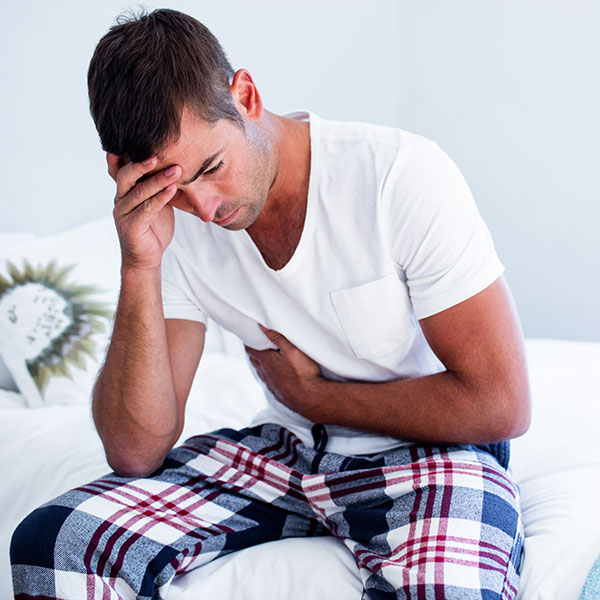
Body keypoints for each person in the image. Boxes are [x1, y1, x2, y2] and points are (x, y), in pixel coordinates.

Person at [10, 8, 531, 600]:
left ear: (247, 96)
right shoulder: (168, 228)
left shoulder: (397, 177)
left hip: (430, 453)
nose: (205, 208)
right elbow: (135, 450)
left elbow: (502, 404)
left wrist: (313, 397)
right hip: (287, 452)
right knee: (55, 542)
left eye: (212, 168)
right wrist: (140, 266)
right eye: (174, 190)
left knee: (450, 589)